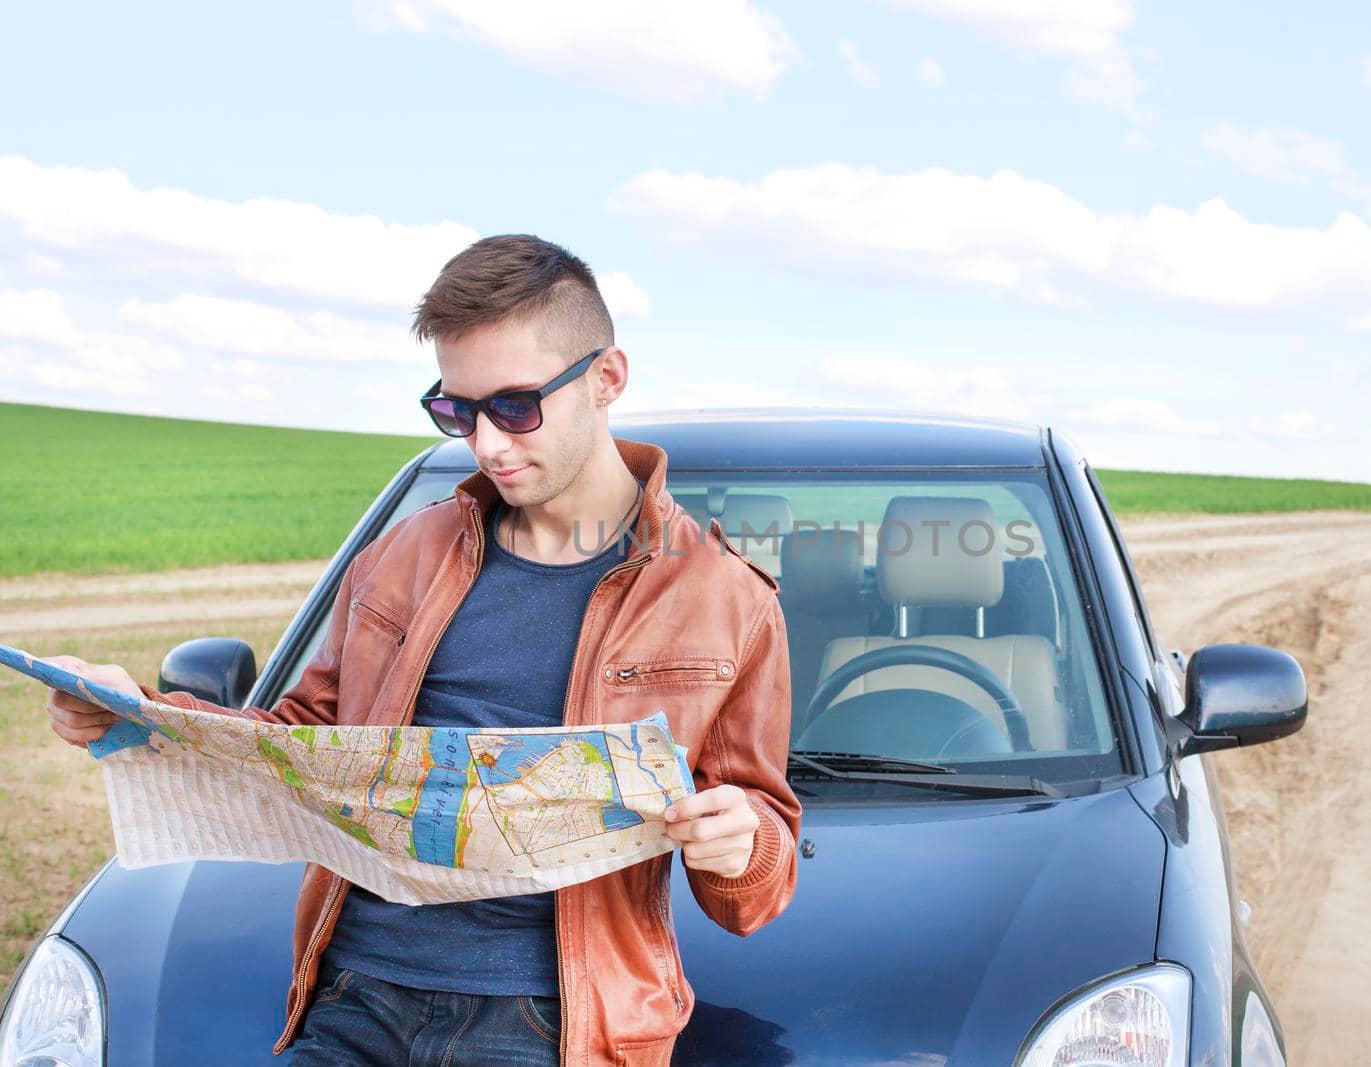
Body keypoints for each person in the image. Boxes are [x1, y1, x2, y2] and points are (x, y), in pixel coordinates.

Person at [40, 234, 802, 1066]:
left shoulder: (725, 598)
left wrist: (742, 842)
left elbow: (754, 892)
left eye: (516, 406)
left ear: (607, 378)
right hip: (353, 998)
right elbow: (302, 735)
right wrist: (144, 716)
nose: (488, 443)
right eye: (456, 411)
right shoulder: (402, 555)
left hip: (553, 1025)